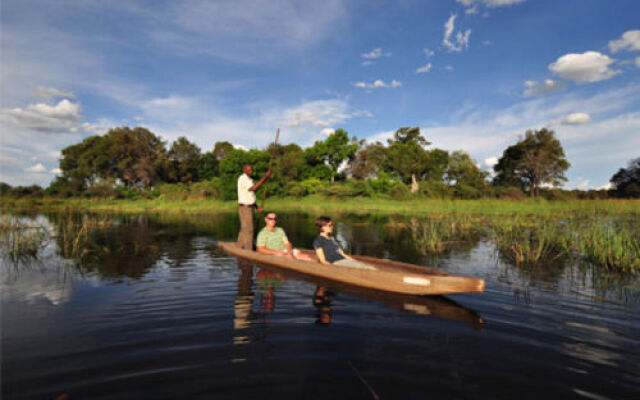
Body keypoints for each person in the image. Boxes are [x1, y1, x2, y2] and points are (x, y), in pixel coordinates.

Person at [237, 163, 271, 250]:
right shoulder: (243, 178)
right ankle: (249, 250)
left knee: (245, 228)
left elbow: (251, 196)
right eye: (248, 170)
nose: (250, 171)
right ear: (244, 170)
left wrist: (257, 207)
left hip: (250, 207)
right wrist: (265, 177)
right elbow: (254, 188)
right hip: (245, 208)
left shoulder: (249, 179)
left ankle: (239, 246)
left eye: (251, 169)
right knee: (249, 229)